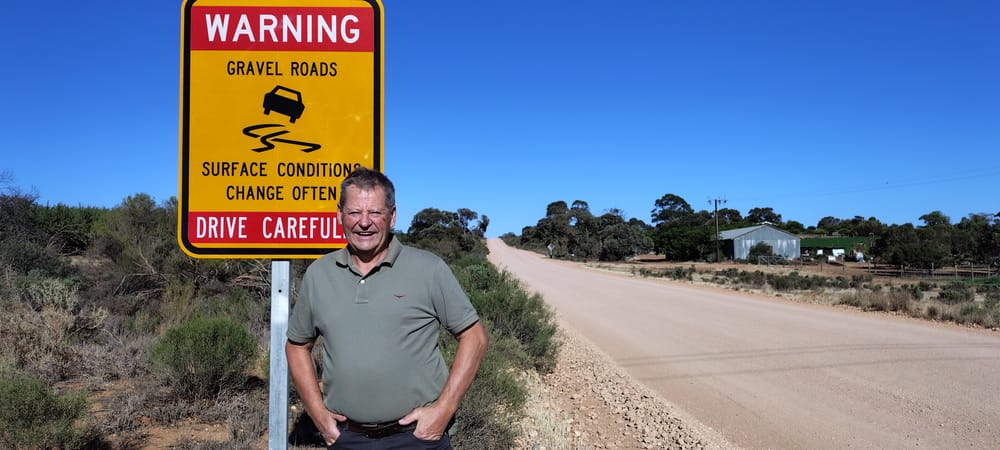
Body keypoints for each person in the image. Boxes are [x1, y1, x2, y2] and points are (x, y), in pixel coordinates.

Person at [286, 167, 489, 449]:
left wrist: (444, 410)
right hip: (347, 438)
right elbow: (296, 345)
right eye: (355, 212)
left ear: (392, 216)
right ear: (339, 215)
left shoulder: (428, 269)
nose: (364, 223)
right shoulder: (320, 274)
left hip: (418, 438)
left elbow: (474, 337)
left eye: (375, 213)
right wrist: (318, 415)